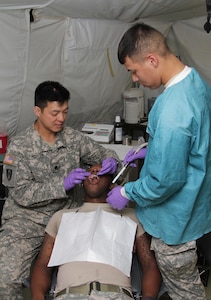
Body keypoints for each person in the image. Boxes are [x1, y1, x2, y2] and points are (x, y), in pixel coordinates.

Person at [106, 23, 211, 300]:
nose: (136, 80)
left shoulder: (173, 109)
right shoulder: (194, 81)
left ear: (151, 59)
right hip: (196, 205)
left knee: (185, 290)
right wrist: (151, 149)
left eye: (134, 71)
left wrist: (126, 191)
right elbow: (192, 143)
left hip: (176, 221)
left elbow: (164, 181)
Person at [0, 81, 122, 300]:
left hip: (68, 217)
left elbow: (105, 153)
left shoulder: (73, 138)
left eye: (65, 112)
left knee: (91, 273)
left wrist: (112, 161)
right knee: (5, 280)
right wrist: (62, 185)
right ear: (38, 111)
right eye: (55, 113)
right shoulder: (19, 147)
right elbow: (20, 193)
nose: (62, 119)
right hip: (27, 221)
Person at [30, 164, 162, 300]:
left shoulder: (131, 216)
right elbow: (42, 264)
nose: (94, 171)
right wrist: (37, 296)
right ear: (81, 184)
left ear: (112, 184)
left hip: (116, 295)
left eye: (101, 171)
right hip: (69, 295)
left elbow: (149, 264)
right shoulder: (61, 217)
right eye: (90, 170)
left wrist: (149, 297)